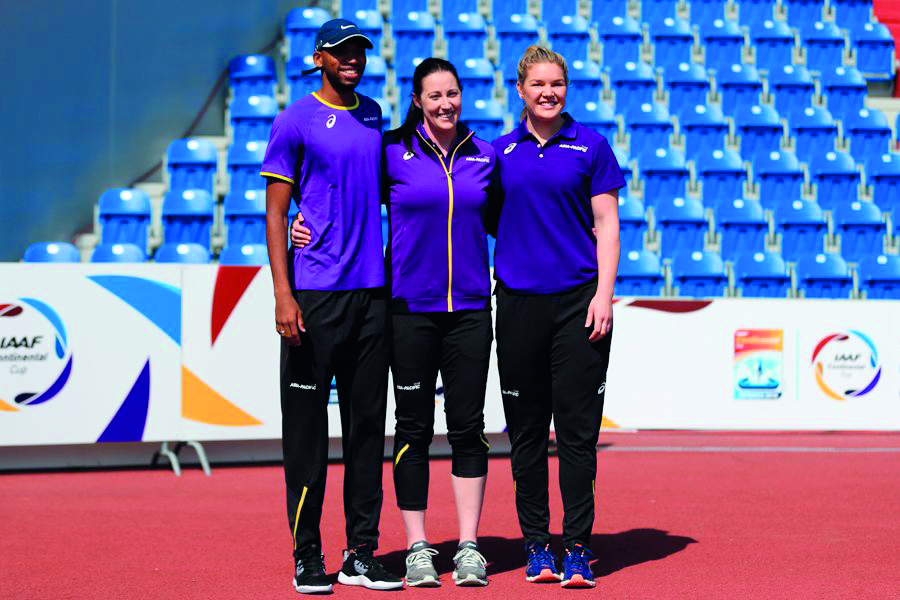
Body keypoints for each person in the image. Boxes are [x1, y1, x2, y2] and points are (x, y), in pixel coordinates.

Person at [291, 57, 497, 587]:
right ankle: (418, 548)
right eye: (435, 96)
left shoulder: (485, 155)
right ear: (417, 101)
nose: (446, 103)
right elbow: (342, 187)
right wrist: (303, 216)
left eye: (452, 93)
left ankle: (470, 546)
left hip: (472, 309)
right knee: (412, 429)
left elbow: (509, 217)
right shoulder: (392, 152)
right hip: (406, 309)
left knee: (469, 428)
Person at [262, 18, 403, 594]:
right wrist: (282, 292)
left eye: (359, 51)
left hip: (373, 295)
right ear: (318, 57)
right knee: (305, 433)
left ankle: (360, 553)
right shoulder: (293, 120)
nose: (352, 59)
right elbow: (275, 212)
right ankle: (307, 553)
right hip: (314, 296)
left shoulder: (375, 116)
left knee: (368, 428)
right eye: (341, 51)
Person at [492, 45, 624, 589]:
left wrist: (604, 294)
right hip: (518, 305)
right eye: (538, 84)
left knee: (576, 435)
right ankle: (535, 546)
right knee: (525, 435)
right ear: (520, 90)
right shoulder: (498, 151)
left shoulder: (591, 145)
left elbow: (608, 225)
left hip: (579, 306)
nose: (548, 92)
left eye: (557, 84)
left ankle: (577, 547)